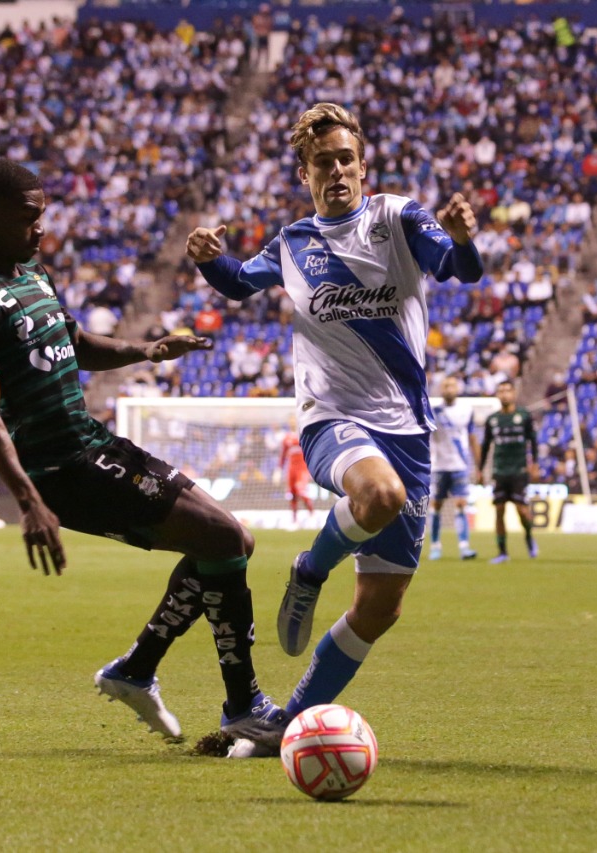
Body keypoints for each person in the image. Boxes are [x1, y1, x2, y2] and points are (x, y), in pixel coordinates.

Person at [0, 158, 287, 750]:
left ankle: (137, 670)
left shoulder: (33, 271)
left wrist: (148, 350)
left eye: (43, 217)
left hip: (93, 442)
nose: (40, 229)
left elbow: (73, 344)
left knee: (234, 542)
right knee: (225, 540)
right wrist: (28, 500)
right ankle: (241, 708)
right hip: (62, 470)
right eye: (29, 219)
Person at [185, 103, 482, 754]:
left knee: (380, 607)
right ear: (305, 172)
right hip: (333, 419)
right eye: (324, 161)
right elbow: (238, 284)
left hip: (407, 430)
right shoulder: (293, 242)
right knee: (378, 496)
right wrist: (210, 259)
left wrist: (462, 239)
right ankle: (311, 569)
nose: (338, 169)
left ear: (363, 164)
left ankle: (284, 726)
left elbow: (458, 269)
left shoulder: (398, 218)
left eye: (347, 158)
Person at [476, 381, 539, 563]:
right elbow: (486, 446)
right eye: (500, 391)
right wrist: (480, 470)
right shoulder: (492, 420)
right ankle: (502, 552)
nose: (504, 394)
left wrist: (534, 464)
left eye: (507, 391)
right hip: (499, 470)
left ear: (514, 394)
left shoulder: (523, 416)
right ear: (497, 395)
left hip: (519, 470)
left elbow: (532, 441)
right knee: (499, 510)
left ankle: (528, 536)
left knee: (522, 510)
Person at [428, 374, 479, 560]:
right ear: (441, 389)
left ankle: (464, 546)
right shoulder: (433, 411)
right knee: (436, 505)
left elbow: (472, 438)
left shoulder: (466, 410)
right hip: (439, 466)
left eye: (452, 386)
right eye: (446, 386)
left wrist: (478, 465)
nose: (449, 389)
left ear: (458, 389)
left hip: (460, 465)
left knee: (461, 504)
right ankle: (435, 546)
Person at [280, 420, 314, 526]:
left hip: (302, 468)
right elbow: (283, 456)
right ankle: (294, 520)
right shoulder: (286, 438)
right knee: (292, 494)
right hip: (291, 468)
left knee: (301, 491)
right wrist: (279, 469)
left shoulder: (304, 434)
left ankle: (312, 515)